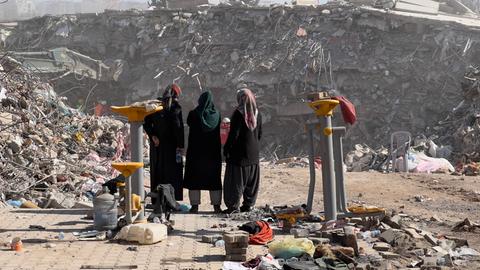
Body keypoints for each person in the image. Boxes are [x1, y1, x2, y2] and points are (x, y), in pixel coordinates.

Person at [223, 88, 262, 214]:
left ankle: (233, 207)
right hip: (254, 154)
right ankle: (248, 205)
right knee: (251, 182)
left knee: (236, 182)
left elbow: (234, 135)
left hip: (240, 156)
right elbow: (260, 133)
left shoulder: (238, 114)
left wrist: (226, 149)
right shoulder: (257, 113)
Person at [184, 91, 223, 213]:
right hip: (212, 154)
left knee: (195, 178)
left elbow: (189, 123)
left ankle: (195, 206)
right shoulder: (217, 115)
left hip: (196, 153)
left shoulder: (193, 114)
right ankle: (216, 206)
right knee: (214, 179)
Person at [144, 84, 185, 201]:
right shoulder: (175, 107)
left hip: (157, 147)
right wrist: (181, 146)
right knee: (172, 174)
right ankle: (170, 200)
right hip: (171, 147)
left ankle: (158, 199)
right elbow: (178, 127)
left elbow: (146, 122)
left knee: (158, 172)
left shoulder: (156, 105)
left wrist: (153, 136)